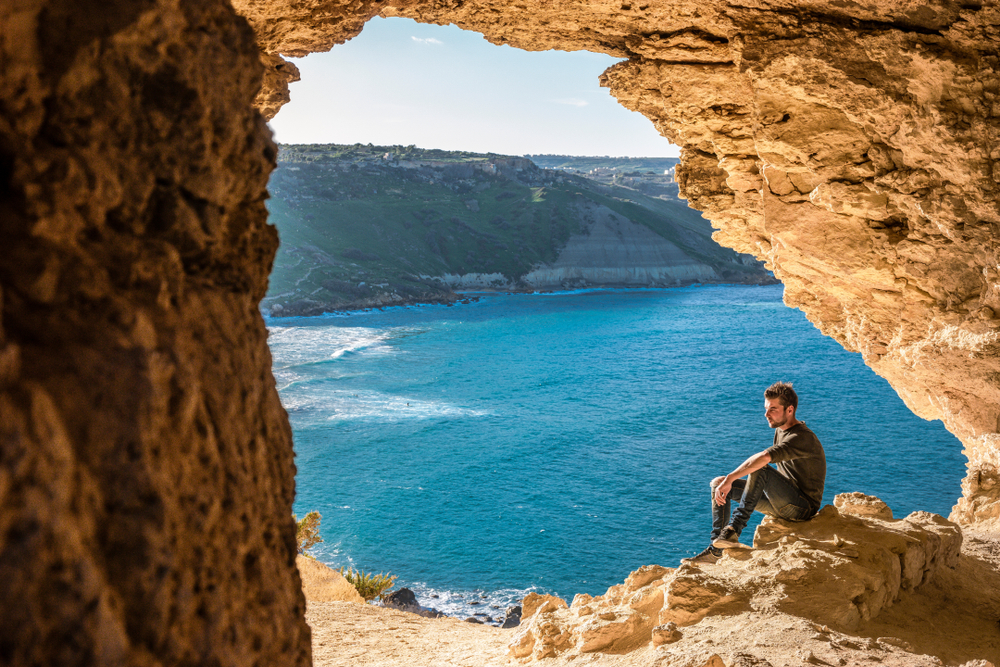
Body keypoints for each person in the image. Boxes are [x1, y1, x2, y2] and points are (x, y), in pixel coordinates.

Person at [683, 381, 826, 564]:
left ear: (789, 410)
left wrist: (732, 477)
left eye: (773, 409)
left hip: (802, 508)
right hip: (782, 502)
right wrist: (726, 481)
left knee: (761, 468)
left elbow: (764, 458)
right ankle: (715, 550)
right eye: (766, 408)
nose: (766, 414)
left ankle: (734, 530)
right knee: (718, 484)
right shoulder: (781, 431)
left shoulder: (802, 438)